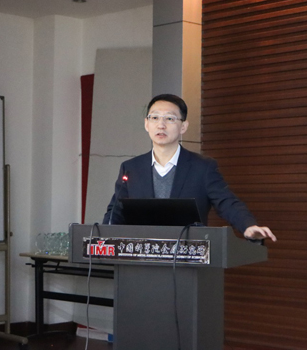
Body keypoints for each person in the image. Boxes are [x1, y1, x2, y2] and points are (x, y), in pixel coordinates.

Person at [103, 94, 276, 242]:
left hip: (187, 259)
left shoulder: (202, 167)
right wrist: (103, 238)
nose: (161, 125)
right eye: (154, 118)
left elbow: (226, 202)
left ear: (183, 127)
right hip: (141, 259)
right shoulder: (131, 168)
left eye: (170, 119)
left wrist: (248, 226)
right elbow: (116, 212)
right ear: (146, 124)